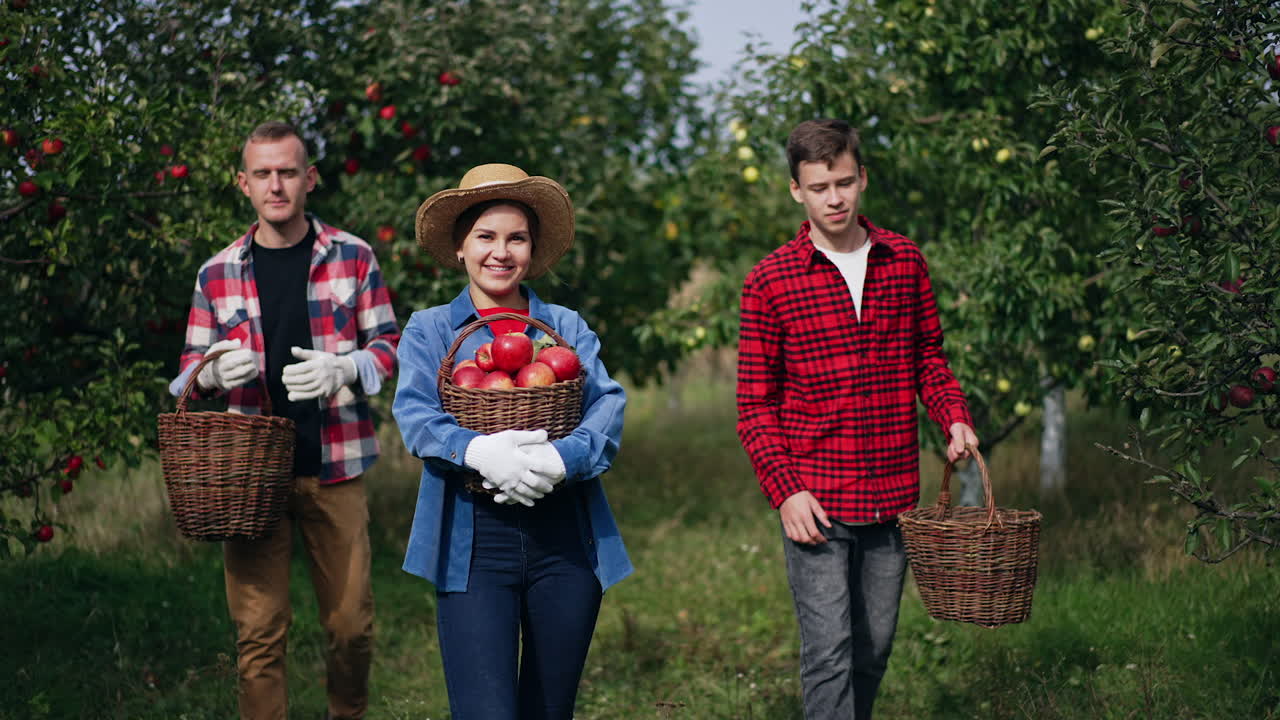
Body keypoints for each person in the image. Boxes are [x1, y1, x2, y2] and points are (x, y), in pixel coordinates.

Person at [735, 118, 979, 720]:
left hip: (893, 496)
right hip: (816, 498)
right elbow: (754, 405)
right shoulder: (770, 281)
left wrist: (954, 417)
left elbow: (929, 359)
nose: (835, 198)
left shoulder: (904, 261)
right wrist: (785, 490)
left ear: (862, 178)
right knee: (829, 653)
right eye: (820, 187)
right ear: (797, 189)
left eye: (844, 182)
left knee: (872, 650)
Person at [170, 121, 400, 720]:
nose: (277, 185)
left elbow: (389, 347)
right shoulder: (215, 273)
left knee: (351, 625)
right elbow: (186, 375)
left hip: (336, 462)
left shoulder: (353, 257)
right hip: (250, 479)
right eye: (264, 174)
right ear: (243, 183)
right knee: (259, 633)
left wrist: (345, 369)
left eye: (289, 172)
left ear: (310, 179)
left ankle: (345, 712)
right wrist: (215, 372)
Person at [392, 163, 631, 720]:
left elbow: (607, 406)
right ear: (459, 247)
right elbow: (416, 415)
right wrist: (478, 452)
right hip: (474, 546)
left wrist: (558, 458)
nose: (501, 252)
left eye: (516, 238)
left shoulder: (563, 329)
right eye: (486, 236)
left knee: (550, 711)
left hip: (564, 542)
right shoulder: (430, 330)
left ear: (532, 248)